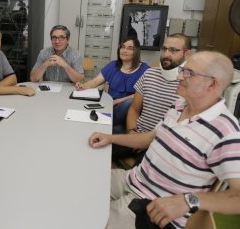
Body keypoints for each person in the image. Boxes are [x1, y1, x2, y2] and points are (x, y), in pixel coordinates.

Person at [88, 51, 240, 229]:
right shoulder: (180, 105)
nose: (179, 76)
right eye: (183, 70)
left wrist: (187, 201)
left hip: (151, 207)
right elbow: (150, 138)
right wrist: (110, 137)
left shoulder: (226, 131)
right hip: (132, 179)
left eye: (188, 73)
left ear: (212, 84)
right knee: (78, 181)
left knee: (84, 218)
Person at [112, 33, 191, 161]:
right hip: (136, 134)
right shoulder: (149, 74)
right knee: (96, 145)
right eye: (164, 49)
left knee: (141, 176)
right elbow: (134, 110)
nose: (166, 54)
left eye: (173, 50)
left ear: (187, 54)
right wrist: (132, 133)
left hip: (161, 145)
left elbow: (184, 130)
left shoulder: (189, 84)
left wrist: (148, 142)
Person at [75, 37, 150, 133]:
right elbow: (95, 81)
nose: (124, 50)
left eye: (130, 48)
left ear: (136, 51)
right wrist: (83, 86)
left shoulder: (145, 70)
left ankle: (102, 125)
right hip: (109, 106)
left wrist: (118, 101)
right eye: (122, 47)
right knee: (114, 129)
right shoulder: (113, 65)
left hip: (129, 111)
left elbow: (141, 94)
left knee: (129, 102)